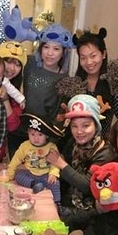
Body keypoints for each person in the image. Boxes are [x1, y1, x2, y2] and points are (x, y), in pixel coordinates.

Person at [46, 94, 117, 231]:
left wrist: (61, 164)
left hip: (90, 215)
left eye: (86, 125)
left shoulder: (104, 152)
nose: (79, 131)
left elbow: (88, 186)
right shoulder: (73, 143)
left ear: (96, 125)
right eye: (74, 126)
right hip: (66, 203)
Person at [9, 23, 75, 157]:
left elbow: (59, 116)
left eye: (56, 48)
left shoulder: (65, 79)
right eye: (46, 47)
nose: (50, 53)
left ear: (63, 52)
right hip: (19, 129)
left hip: (43, 137)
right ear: (40, 48)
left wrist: (50, 143)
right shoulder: (29, 63)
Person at [56, 27, 118, 139]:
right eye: (83, 58)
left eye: (93, 56)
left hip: (100, 143)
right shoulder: (74, 85)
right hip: (75, 141)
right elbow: (64, 119)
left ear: (103, 54)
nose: (89, 62)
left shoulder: (114, 81)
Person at [6, 113, 65, 203]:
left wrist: (53, 174)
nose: (36, 138)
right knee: (18, 176)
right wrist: (9, 174)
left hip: (46, 175)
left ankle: (57, 202)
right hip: (30, 173)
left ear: (46, 136)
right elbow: (15, 160)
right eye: (32, 134)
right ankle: (35, 184)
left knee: (55, 183)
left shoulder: (51, 147)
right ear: (28, 133)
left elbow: (56, 163)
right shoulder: (25, 146)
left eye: (40, 135)